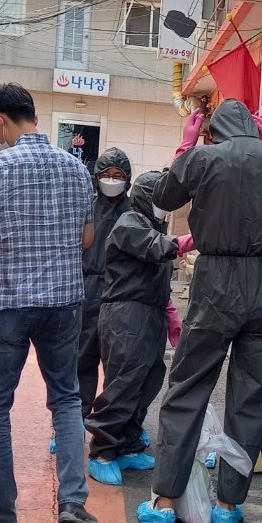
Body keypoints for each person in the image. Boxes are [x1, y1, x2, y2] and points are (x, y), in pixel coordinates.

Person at [140, 99, 262, 523]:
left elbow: (162, 197)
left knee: (187, 388)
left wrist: (184, 147)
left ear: (215, 130)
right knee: (252, 396)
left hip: (215, 281)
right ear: (254, 128)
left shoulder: (203, 157)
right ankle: (227, 505)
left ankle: (165, 502)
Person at [0, 82, 100, 523]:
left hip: (12, 302)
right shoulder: (75, 166)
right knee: (67, 399)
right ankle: (74, 502)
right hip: (64, 302)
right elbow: (86, 240)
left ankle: (1, 517)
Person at [84, 172, 194, 483]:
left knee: (148, 380)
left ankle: (129, 444)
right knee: (124, 380)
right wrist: (193, 238)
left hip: (151, 313)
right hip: (126, 313)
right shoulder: (130, 222)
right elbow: (156, 247)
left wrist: (171, 315)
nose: (167, 205)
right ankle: (103, 449)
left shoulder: (153, 225)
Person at [78, 146, 132, 419]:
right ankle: (75, 420)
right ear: (96, 177)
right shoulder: (85, 206)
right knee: (82, 359)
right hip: (87, 292)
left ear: (128, 179)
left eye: (118, 175)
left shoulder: (135, 211)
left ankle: (115, 427)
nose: (111, 180)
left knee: (119, 364)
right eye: (106, 175)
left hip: (122, 293)